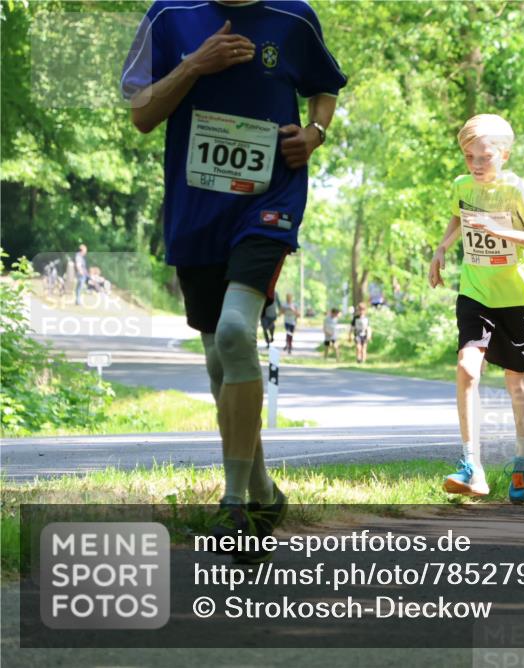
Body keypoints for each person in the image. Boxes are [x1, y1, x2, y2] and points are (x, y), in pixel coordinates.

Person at [121, 0, 347, 563]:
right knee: (221, 358)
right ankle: (264, 492)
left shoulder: (294, 17)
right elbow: (142, 113)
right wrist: (195, 64)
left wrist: (315, 133)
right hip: (197, 207)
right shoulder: (169, 15)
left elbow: (325, 88)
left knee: (234, 333)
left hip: (268, 201)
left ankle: (234, 503)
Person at [428, 114, 524, 504]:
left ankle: (523, 455)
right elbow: (459, 215)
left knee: (516, 382)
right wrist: (442, 247)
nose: (476, 165)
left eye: (484, 157)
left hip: (516, 299)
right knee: (468, 368)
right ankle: (472, 465)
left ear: (504, 154)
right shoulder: (461, 185)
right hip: (475, 291)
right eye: (469, 157)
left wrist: (502, 232)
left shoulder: (519, 191)